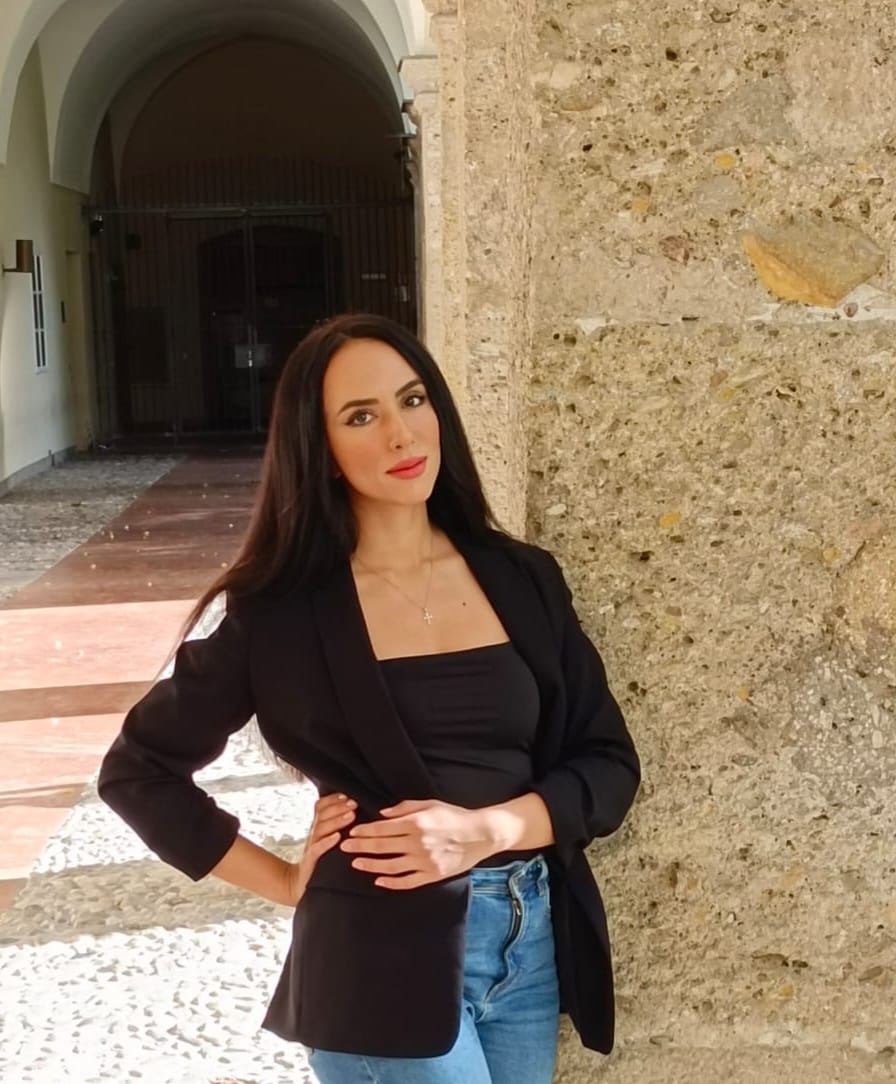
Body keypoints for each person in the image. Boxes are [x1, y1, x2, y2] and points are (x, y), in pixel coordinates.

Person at [97, 312, 641, 1084]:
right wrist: (284, 880)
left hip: (530, 947)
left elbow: (608, 763)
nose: (400, 434)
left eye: (412, 400)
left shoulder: (521, 577)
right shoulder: (280, 612)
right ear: (319, 450)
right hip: (375, 959)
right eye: (361, 416)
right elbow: (138, 772)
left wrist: (483, 831)